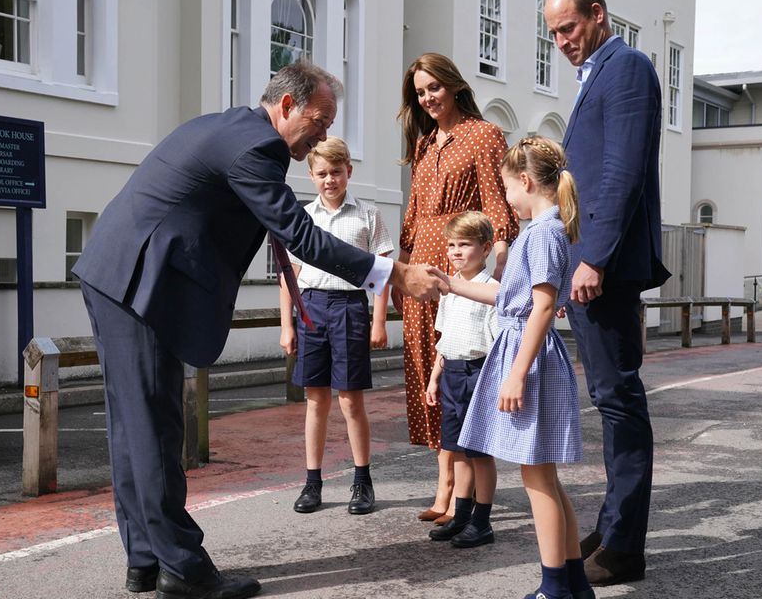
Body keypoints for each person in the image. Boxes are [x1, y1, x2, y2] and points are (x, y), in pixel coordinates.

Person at [72, 61, 447, 599]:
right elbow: (301, 235)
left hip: (117, 274)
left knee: (132, 427)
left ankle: (146, 559)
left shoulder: (232, 127)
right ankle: (184, 571)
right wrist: (396, 273)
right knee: (153, 428)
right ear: (288, 106)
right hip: (138, 281)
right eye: (320, 121)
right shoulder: (257, 148)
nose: (324, 134)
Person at [544, 0, 671, 587]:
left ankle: (623, 545)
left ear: (598, 14)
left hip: (607, 267)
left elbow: (620, 173)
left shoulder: (627, 67)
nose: (561, 41)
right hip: (594, 264)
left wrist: (590, 259)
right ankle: (613, 526)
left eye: (568, 28)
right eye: (553, 34)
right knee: (610, 399)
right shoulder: (599, 72)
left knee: (619, 402)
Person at [449, 137, 594, 599]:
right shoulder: (540, 232)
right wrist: (451, 285)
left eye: (507, 187)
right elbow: (509, 300)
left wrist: (516, 373)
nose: (506, 197)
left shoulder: (543, 233)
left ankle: (555, 587)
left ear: (526, 182)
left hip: (527, 359)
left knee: (536, 477)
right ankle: (572, 584)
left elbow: (543, 307)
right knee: (542, 476)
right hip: (522, 351)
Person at [394, 52, 518, 525]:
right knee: (428, 374)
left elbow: (498, 206)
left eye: (434, 88)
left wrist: (501, 269)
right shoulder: (425, 145)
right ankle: (443, 481)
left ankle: (458, 488)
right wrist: (400, 272)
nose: (427, 98)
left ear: (454, 85)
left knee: (458, 373)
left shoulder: (483, 135)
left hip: (460, 269)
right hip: (421, 272)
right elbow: (410, 218)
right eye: (420, 92)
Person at [278, 136, 393, 516]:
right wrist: (287, 326)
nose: (330, 180)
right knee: (316, 399)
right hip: (311, 308)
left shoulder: (367, 215)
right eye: (322, 173)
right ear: (310, 175)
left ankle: (362, 481)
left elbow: (382, 272)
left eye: (337, 172)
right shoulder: (303, 218)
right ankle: (313, 482)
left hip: (350, 308)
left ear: (349, 172)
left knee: (350, 399)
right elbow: (289, 277)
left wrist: (379, 320)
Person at [424, 211, 499, 548]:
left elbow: (499, 343)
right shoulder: (449, 289)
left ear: (485, 249)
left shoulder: (492, 291)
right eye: (452, 244)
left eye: (464, 245)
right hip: (453, 373)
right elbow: (445, 340)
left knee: (479, 453)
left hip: (478, 374)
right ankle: (461, 515)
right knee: (456, 451)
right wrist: (434, 378)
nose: (455, 251)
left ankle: (482, 522)